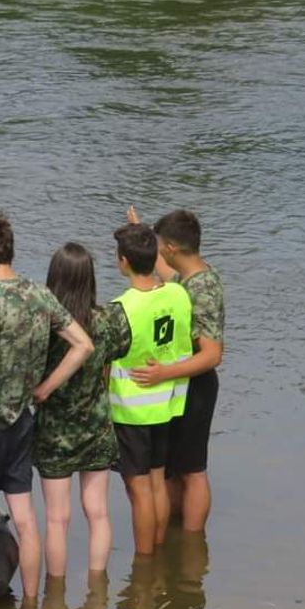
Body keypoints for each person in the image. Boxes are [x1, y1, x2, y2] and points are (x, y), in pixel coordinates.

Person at [0, 210, 93, 606]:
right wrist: (44, 387)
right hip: (21, 420)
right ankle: (31, 604)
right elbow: (82, 345)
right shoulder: (39, 295)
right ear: (9, 249)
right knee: (26, 518)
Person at [33, 243, 131, 578]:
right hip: (97, 425)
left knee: (57, 520)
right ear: (90, 279)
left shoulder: (45, 325)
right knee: (99, 513)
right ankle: (96, 585)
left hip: (54, 432)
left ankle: (56, 594)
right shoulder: (108, 321)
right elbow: (116, 353)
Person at [130, 210, 224, 535]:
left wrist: (165, 373)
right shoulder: (188, 277)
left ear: (170, 246)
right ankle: (175, 544)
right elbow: (167, 275)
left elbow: (213, 355)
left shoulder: (204, 288)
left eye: (157, 244)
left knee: (193, 469)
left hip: (196, 386)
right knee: (173, 467)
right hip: (179, 384)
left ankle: (192, 539)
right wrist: (139, 231)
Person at [108, 224, 192, 556]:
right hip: (168, 405)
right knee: (157, 482)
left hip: (132, 409)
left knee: (138, 488)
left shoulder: (121, 308)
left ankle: (143, 562)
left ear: (123, 262)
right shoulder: (177, 293)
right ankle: (156, 552)